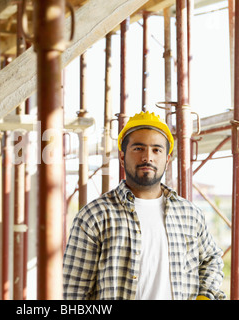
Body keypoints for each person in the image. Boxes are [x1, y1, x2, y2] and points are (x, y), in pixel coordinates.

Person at [63, 111, 226, 300]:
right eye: (138, 148)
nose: (147, 157)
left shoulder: (189, 214)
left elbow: (211, 260)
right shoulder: (94, 216)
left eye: (156, 150)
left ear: (167, 158)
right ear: (122, 157)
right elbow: (73, 291)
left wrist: (205, 296)